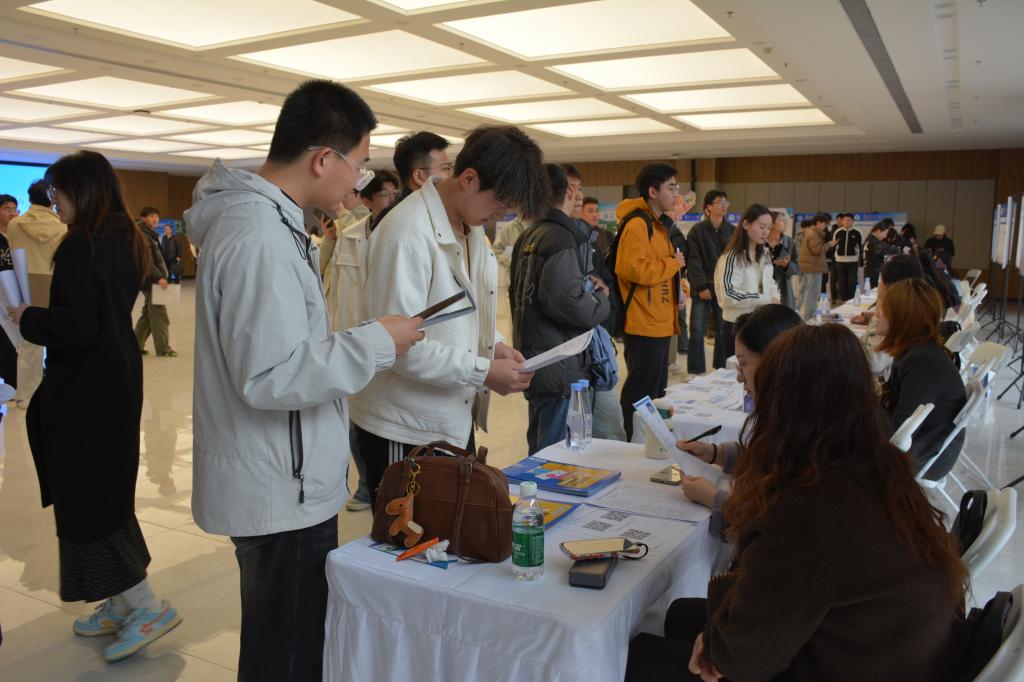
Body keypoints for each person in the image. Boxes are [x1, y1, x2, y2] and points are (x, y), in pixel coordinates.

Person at [185, 79, 424, 681]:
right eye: (358, 165)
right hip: (279, 484)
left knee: (285, 640)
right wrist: (378, 342)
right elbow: (272, 375)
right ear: (323, 159)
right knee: (288, 654)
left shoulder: (273, 223)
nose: (357, 182)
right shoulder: (257, 233)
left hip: (285, 472)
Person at [625, 323, 968, 682]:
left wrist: (715, 646)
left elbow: (743, 658)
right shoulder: (871, 462)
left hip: (858, 660)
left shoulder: (805, 508)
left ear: (783, 406)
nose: (747, 390)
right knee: (680, 615)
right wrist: (717, 638)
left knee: (639, 657)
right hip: (888, 648)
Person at [7, 151, 182, 663]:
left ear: (79, 189)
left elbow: (77, 326)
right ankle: (120, 601)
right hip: (116, 377)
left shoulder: (81, 244)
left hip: (84, 390)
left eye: (57, 191)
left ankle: (145, 606)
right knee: (108, 493)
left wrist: (28, 317)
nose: (54, 200)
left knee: (89, 499)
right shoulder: (126, 237)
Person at [351, 124, 546, 499]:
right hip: (404, 429)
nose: (497, 217)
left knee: (450, 528)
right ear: (469, 179)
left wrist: (495, 346)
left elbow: (466, 312)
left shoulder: (472, 229)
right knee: (410, 531)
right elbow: (398, 348)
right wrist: (484, 371)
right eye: (498, 205)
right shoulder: (406, 234)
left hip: (451, 417)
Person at [332, 132, 451, 513]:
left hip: (401, 357)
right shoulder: (378, 233)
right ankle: (366, 485)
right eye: (446, 168)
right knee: (364, 427)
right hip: (365, 349)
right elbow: (335, 290)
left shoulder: (433, 227)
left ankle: (370, 485)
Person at [675, 304, 802, 538]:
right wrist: (716, 453)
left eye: (743, 364)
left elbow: (772, 525)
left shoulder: (802, 429)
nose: (739, 377)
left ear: (774, 361)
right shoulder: (792, 413)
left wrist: (713, 498)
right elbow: (770, 459)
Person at [510, 164, 610, 453]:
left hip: (537, 358)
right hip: (560, 363)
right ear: (568, 191)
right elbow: (568, 303)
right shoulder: (560, 237)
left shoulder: (529, 234)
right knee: (554, 455)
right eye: (575, 188)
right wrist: (601, 300)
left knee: (543, 446)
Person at [613, 164, 686, 440]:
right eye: (671, 187)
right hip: (643, 322)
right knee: (639, 393)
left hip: (660, 321)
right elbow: (633, 269)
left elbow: (662, 272)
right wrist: (672, 263)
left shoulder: (659, 226)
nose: (676, 193)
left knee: (656, 393)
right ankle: (631, 442)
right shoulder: (638, 224)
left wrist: (680, 291)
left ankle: (651, 443)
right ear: (653, 192)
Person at [877, 278, 967, 480]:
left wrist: (861, 396)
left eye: (883, 309)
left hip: (926, 455)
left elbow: (895, 431)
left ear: (901, 317)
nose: (877, 313)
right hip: (926, 444)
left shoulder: (922, 362)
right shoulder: (919, 353)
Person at [7, 179, 66, 408]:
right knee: (57, 337)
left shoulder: (15, 224)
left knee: (28, 341)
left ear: (29, 198)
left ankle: (26, 395)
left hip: (23, 283)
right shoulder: (62, 226)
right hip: (54, 283)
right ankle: (56, 390)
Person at [580, 195, 627, 441]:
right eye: (590, 210)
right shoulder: (570, 241)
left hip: (601, 334)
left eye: (597, 210)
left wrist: (608, 323)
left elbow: (607, 282)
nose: (595, 214)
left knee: (609, 424)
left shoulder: (602, 237)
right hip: (584, 343)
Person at [713, 204, 779, 360]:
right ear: (746, 224)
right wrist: (766, 299)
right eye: (761, 226)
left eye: (769, 228)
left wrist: (776, 298)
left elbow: (770, 282)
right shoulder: (732, 257)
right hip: (736, 327)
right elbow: (728, 295)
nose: (766, 232)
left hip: (760, 325)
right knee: (737, 372)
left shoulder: (764, 254)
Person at [852, 254, 925, 377]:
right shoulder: (911, 310)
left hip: (873, 379)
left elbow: (874, 363)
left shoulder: (896, 318)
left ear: (890, 285)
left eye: (882, 279)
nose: (879, 283)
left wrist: (847, 343)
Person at [686, 190, 734, 374]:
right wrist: (700, 286)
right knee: (697, 330)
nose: (724, 205)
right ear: (708, 207)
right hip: (703, 288)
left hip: (724, 289)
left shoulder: (732, 231)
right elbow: (693, 261)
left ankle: (721, 369)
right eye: (719, 202)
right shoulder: (697, 231)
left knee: (724, 330)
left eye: (725, 201)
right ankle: (696, 370)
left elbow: (734, 260)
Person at [133, 206, 176, 357]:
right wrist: (158, 277)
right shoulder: (143, 236)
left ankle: (135, 346)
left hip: (149, 279)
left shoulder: (150, 234)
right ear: (143, 218)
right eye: (151, 216)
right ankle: (164, 349)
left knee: (147, 315)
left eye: (156, 216)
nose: (155, 219)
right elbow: (147, 260)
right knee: (159, 315)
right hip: (151, 280)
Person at [796, 212, 834, 319]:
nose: (825, 226)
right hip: (813, 266)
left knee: (804, 291)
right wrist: (829, 244)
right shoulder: (814, 234)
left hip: (808, 266)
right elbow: (817, 250)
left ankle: (797, 311)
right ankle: (809, 316)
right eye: (824, 224)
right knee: (812, 293)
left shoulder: (810, 232)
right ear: (818, 223)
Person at [0, 193, 18, 390]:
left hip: (16, 293)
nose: (13, 213)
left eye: (14, 209)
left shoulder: (19, 235)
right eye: (7, 209)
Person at [766, 210, 799, 309]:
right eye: (781, 220)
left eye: (785, 220)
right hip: (762, 288)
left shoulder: (789, 242)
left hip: (783, 289)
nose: (785, 222)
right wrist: (772, 263)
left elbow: (797, 268)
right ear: (771, 224)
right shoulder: (760, 241)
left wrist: (786, 266)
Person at [831, 212, 862, 301]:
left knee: (852, 281)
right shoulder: (837, 232)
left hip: (853, 260)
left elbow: (860, 246)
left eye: (849, 220)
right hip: (839, 260)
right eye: (845, 220)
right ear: (842, 221)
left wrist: (860, 260)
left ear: (852, 221)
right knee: (841, 282)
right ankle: (844, 300)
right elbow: (834, 246)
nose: (846, 222)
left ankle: (851, 299)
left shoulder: (858, 232)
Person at [863, 221, 900, 288]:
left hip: (872, 271)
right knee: (874, 291)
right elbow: (882, 250)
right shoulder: (872, 241)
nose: (885, 236)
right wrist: (896, 250)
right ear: (878, 231)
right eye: (885, 233)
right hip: (873, 272)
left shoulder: (872, 239)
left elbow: (884, 246)